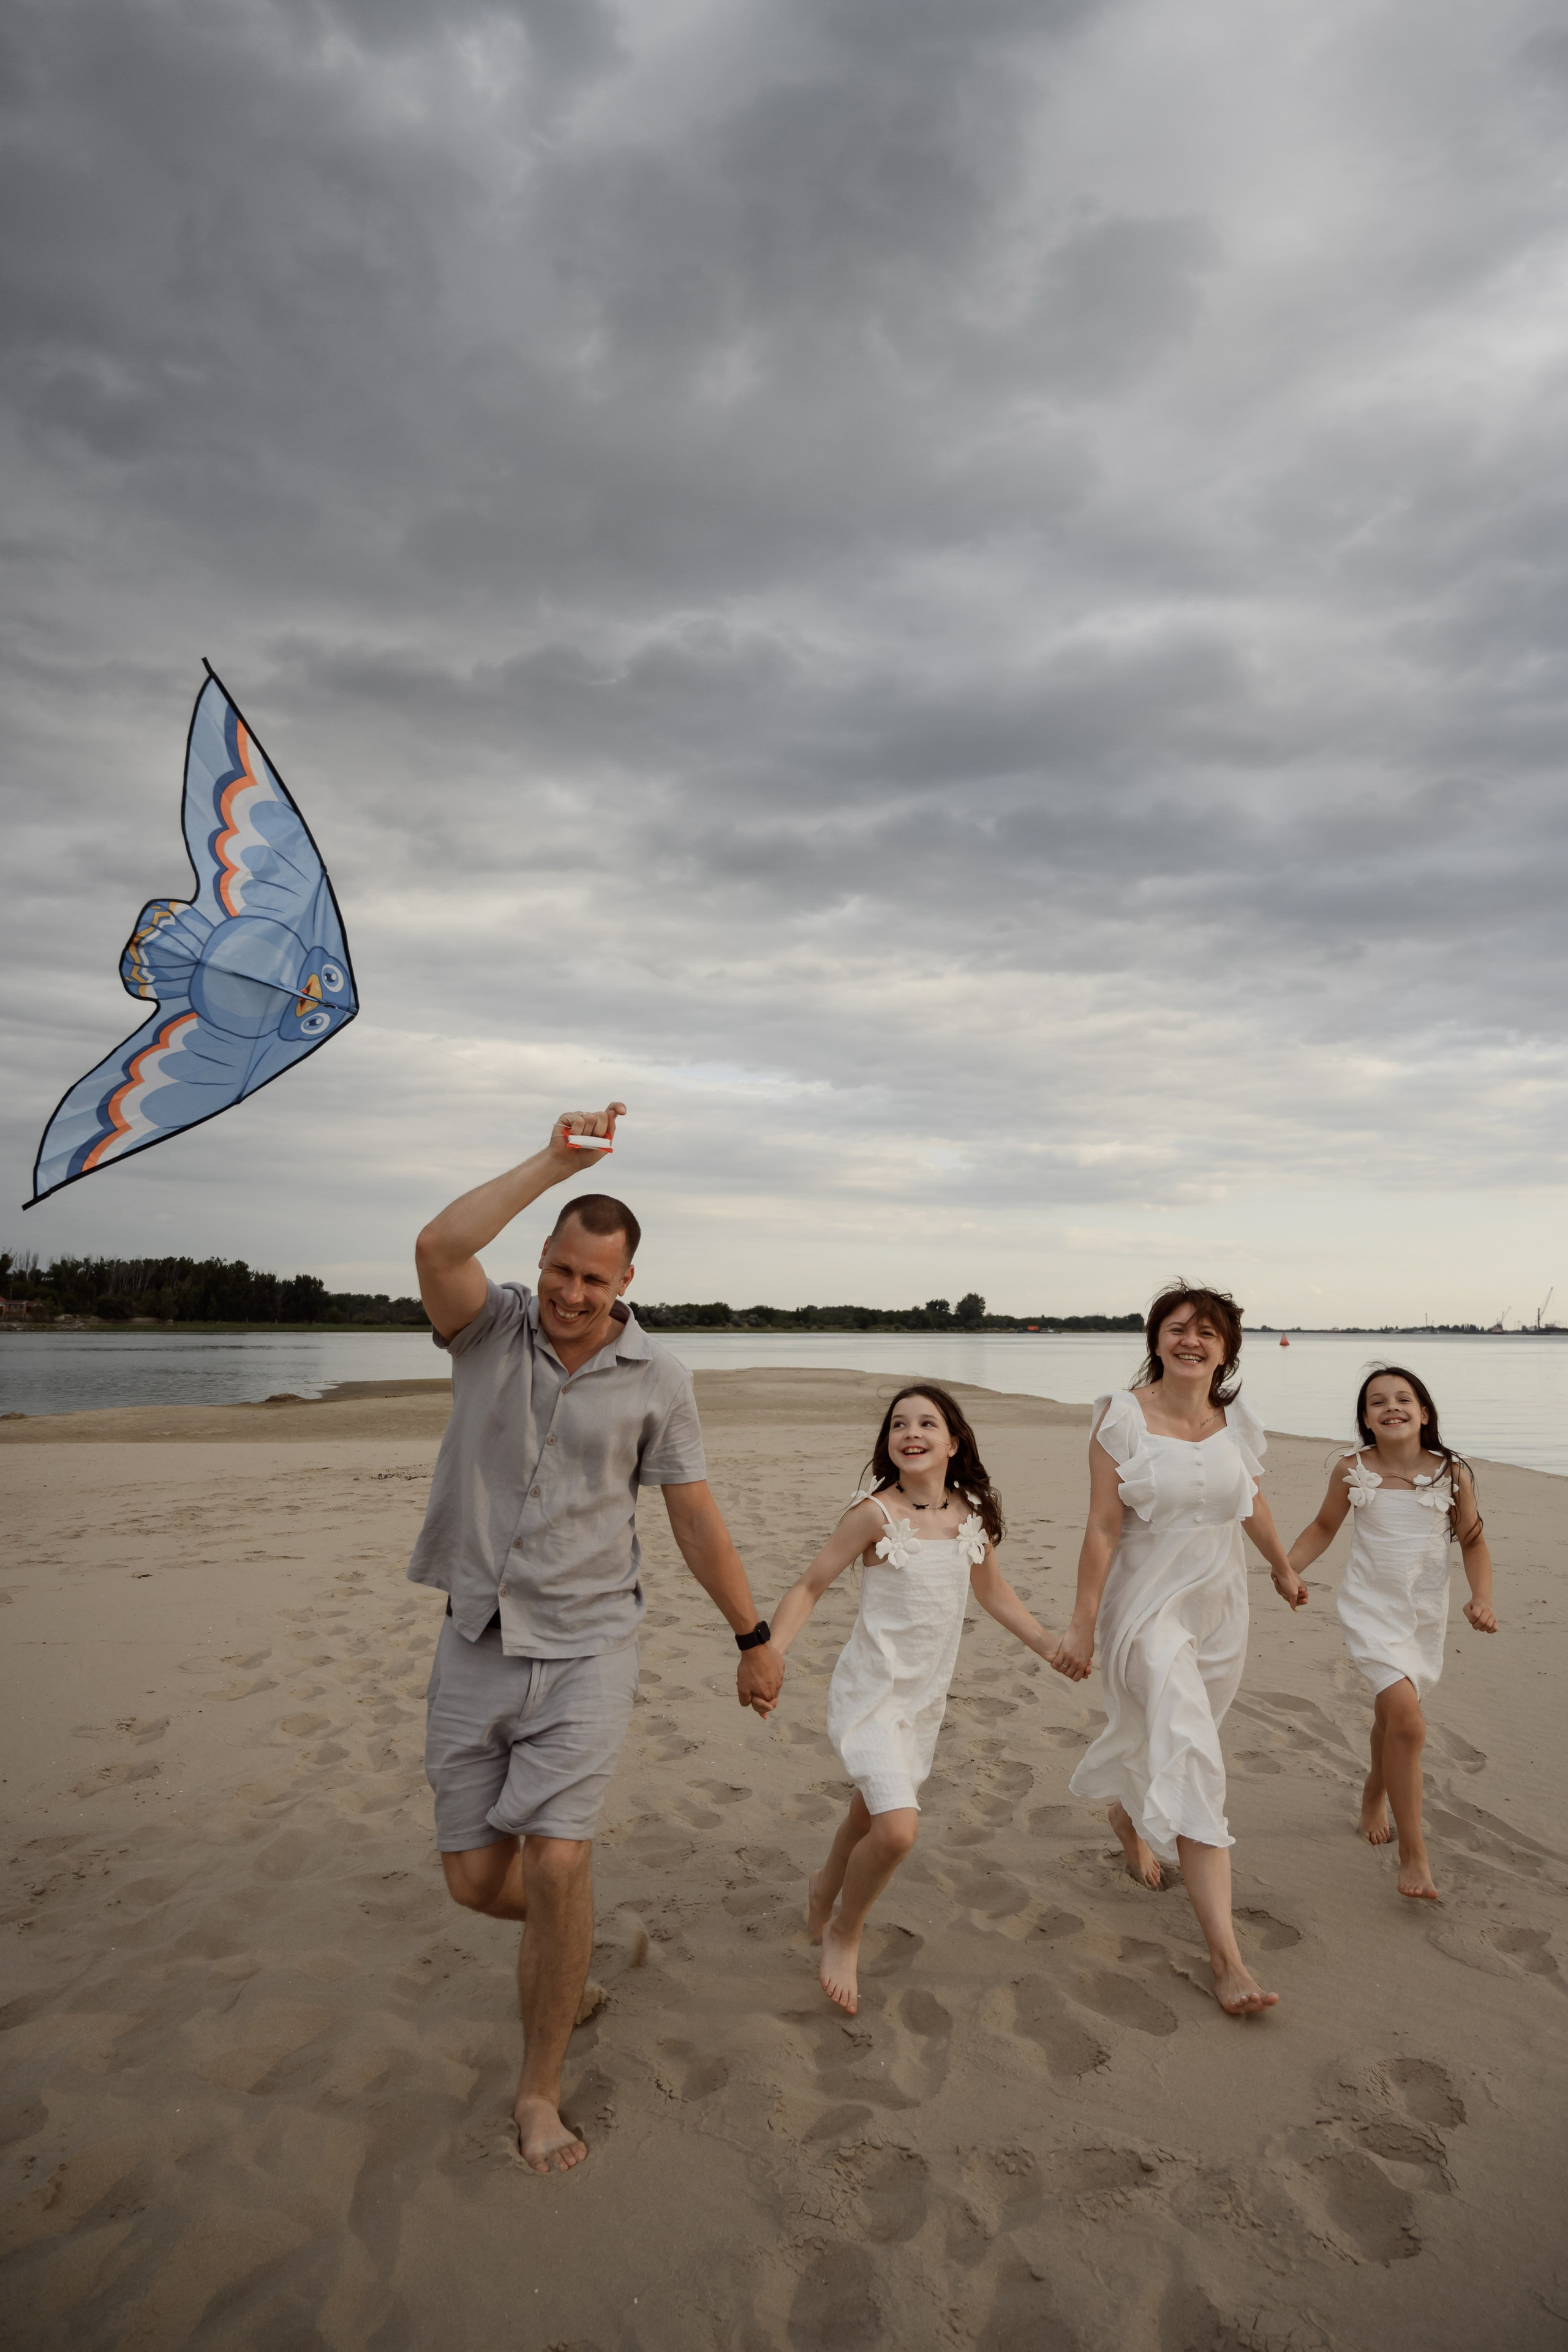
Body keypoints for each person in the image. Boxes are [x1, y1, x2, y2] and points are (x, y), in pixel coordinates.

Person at [407, 1102, 784, 2173]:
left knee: (560, 1857)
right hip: (476, 1636)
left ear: (627, 1283)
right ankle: (569, 1941)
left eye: (595, 1280)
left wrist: (753, 1635)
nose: (573, 1294)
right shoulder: (488, 1329)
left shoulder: (661, 1379)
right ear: (542, 1259)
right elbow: (438, 1246)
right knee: (478, 1883)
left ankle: (540, 2091)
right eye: (562, 1271)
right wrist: (553, 1160)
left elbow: (693, 1517)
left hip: (589, 1649)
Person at [768, 1385, 1074, 2017]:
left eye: (927, 1423)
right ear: (889, 1443)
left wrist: (1050, 1647)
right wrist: (770, 1653)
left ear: (953, 1442)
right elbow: (810, 1585)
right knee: (897, 1830)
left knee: (866, 1817)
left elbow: (995, 1594)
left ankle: (824, 1886)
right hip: (872, 1695)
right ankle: (845, 1932)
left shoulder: (971, 1515)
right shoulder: (874, 1515)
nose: (912, 1433)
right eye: (899, 1424)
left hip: (923, 1700)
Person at [1050, 1283, 1306, 2017]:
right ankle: (1226, 1959)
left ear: (1226, 1351)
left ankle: (1128, 1818)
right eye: (1177, 1328)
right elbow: (1103, 1527)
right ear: (1155, 1340)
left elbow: (1249, 1499)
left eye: (1207, 1332)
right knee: (1193, 1754)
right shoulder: (1120, 1417)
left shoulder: (1236, 1420)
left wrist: (1282, 1567)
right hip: (1144, 1609)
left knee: (1182, 1733)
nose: (1191, 1340)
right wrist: (1080, 1625)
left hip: (1218, 1608)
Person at [1285, 1365, 1496, 1900]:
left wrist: (1482, 1598)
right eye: (1378, 1401)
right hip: (1370, 1612)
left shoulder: (1451, 1473)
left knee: (1389, 1718)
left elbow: (1473, 1541)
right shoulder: (1353, 1470)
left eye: (1403, 1399)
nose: (1391, 1407)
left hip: (1422, 1616)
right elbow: (1324, 1527)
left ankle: (1374, 1793)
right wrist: (1289, 1568)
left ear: (1424, 1413)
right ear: (1365, 1419)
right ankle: (1414, 1854)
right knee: (1408, 1724)